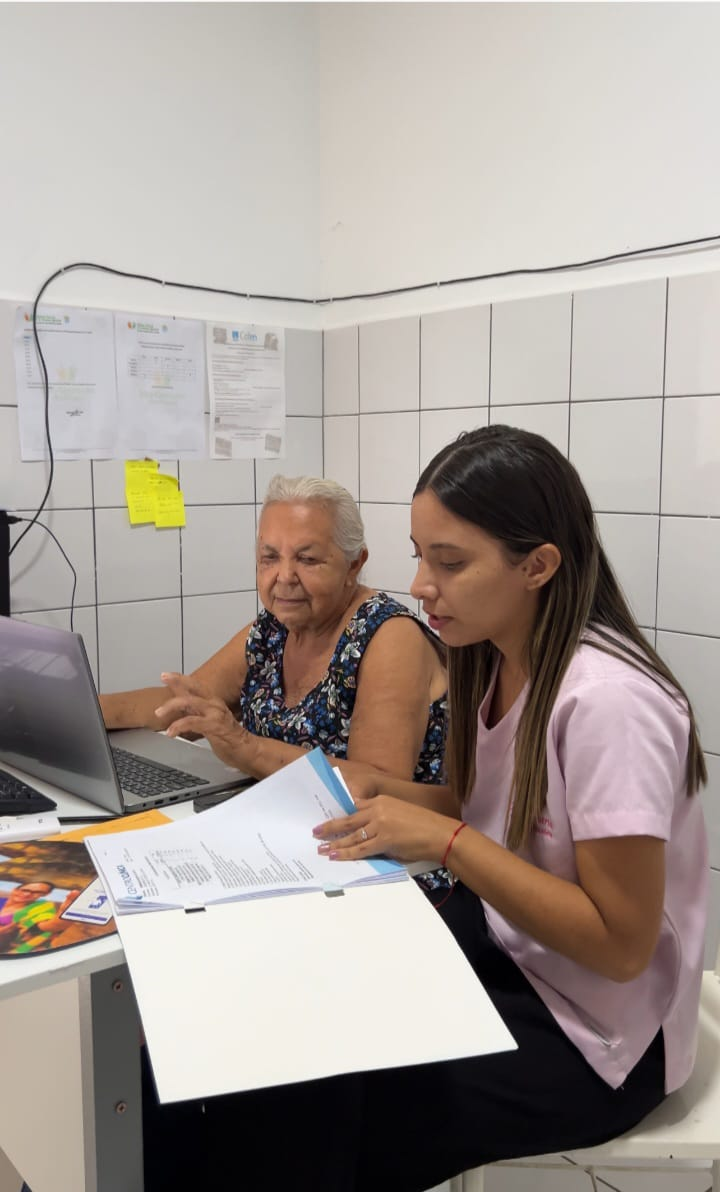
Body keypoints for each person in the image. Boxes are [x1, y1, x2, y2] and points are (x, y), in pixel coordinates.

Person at [141, 425, 708, 1192]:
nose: (419, 584)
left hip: (597, 1035)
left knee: (307, 1097)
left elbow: (618, 946)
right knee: (244, 1020)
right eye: (418, 555)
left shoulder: (609, 703)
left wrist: (445, 840)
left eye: (450, 562)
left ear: (538, 565)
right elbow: (476, 803)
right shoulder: (491, 656)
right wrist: (376, 795)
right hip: (508, 945)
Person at [100, 475, 447, 785]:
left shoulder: (388, 636)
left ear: (354, 564)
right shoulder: (273, 630)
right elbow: (182, 705)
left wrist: (245, 747)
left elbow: (380, 786)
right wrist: (82, 711)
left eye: (307, 559)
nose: (284, 577)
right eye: (269, 558)